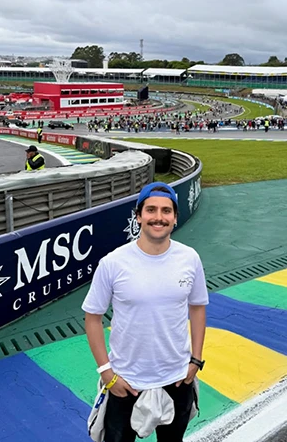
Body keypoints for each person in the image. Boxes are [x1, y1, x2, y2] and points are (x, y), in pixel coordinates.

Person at [82, 182, 209, 442]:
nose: (158, 217)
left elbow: (197, 308)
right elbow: (92, 318)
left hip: (177, 380)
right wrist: (106, 372)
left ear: (175, 217)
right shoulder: (113, 263)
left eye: (166, 211)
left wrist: (195, 361)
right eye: (151, 210)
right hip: (125, 382)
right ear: (138, 216)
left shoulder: (190, 258)